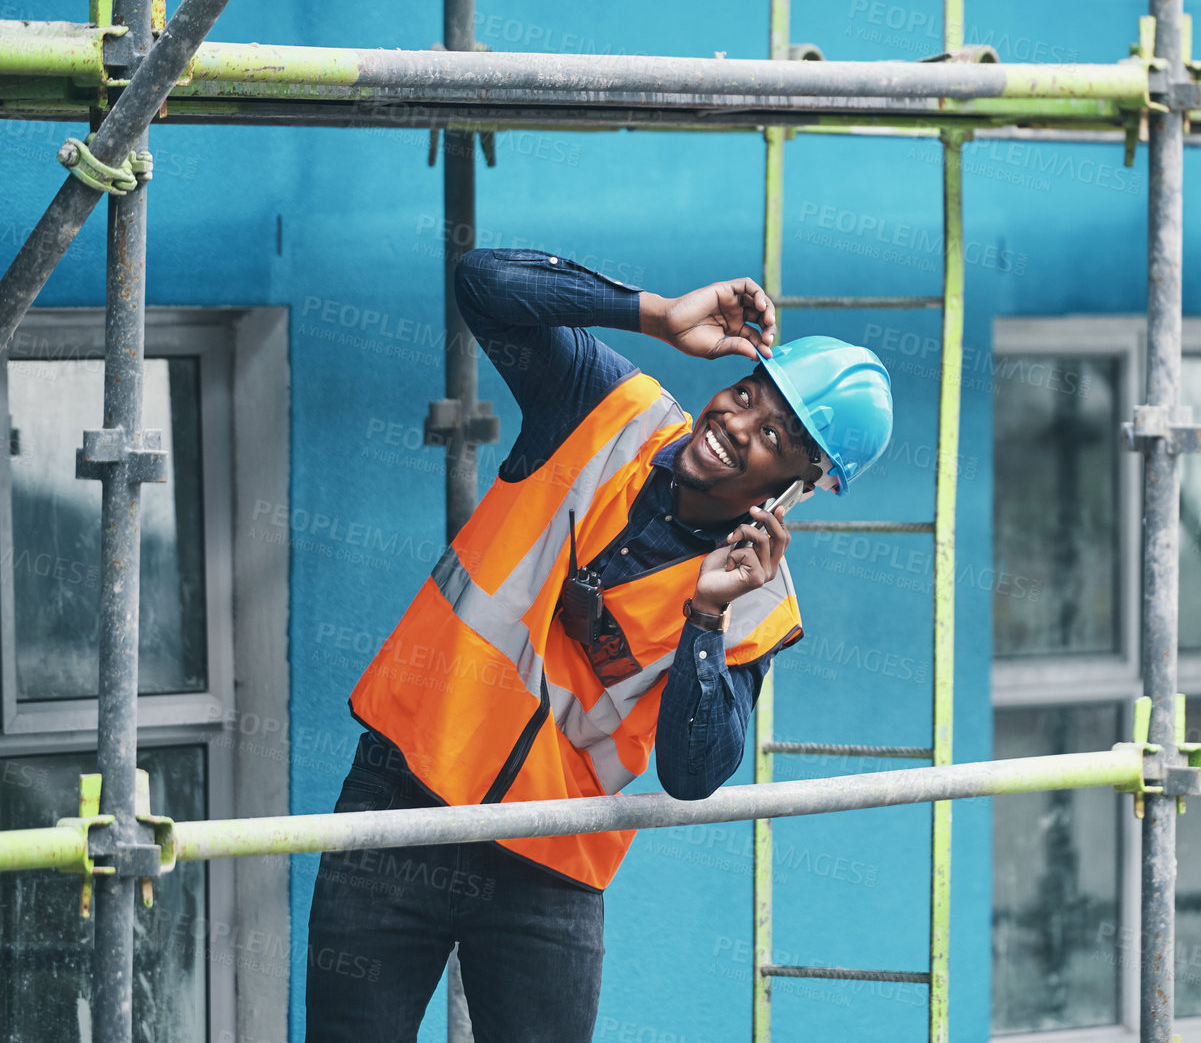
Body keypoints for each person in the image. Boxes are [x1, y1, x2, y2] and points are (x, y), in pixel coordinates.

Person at [304, 247, 893, 1042]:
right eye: (748, 393)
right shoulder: (609, 407)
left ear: (803, 484)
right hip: (402, 797)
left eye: (774, 434)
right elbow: (483, 283)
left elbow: (691, 776)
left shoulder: (757, 605)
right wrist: (657, 314)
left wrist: (707, 622)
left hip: (549, 863)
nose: (735, 423)